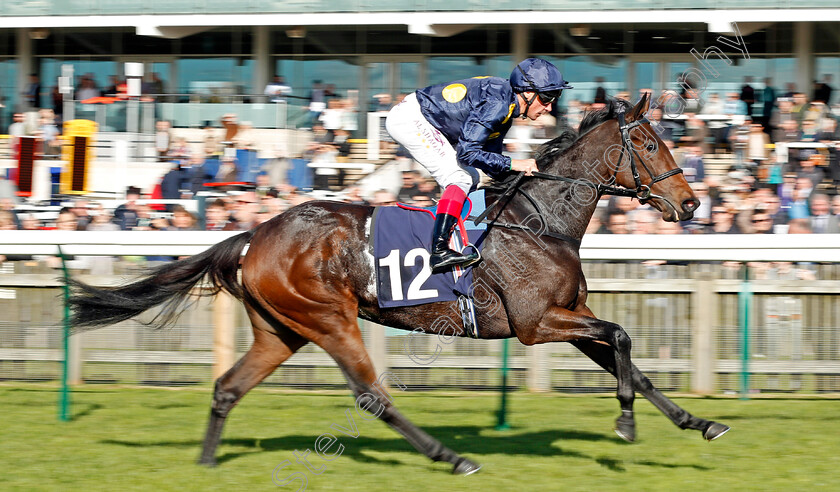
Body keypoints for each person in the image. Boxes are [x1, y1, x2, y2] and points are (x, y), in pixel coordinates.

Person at [385, 58, 572, 273]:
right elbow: (468, 153)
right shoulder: (498, 105)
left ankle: (454, 236)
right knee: (459, 177)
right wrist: (514, 163)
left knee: (472, 177)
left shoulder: (506, 106)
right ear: (528, 93)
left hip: (421, 117)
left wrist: (524, 177)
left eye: (554, 99)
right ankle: (439, 250)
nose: (549, 107)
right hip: (411, 119)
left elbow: (490, 161)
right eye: (547, 98)